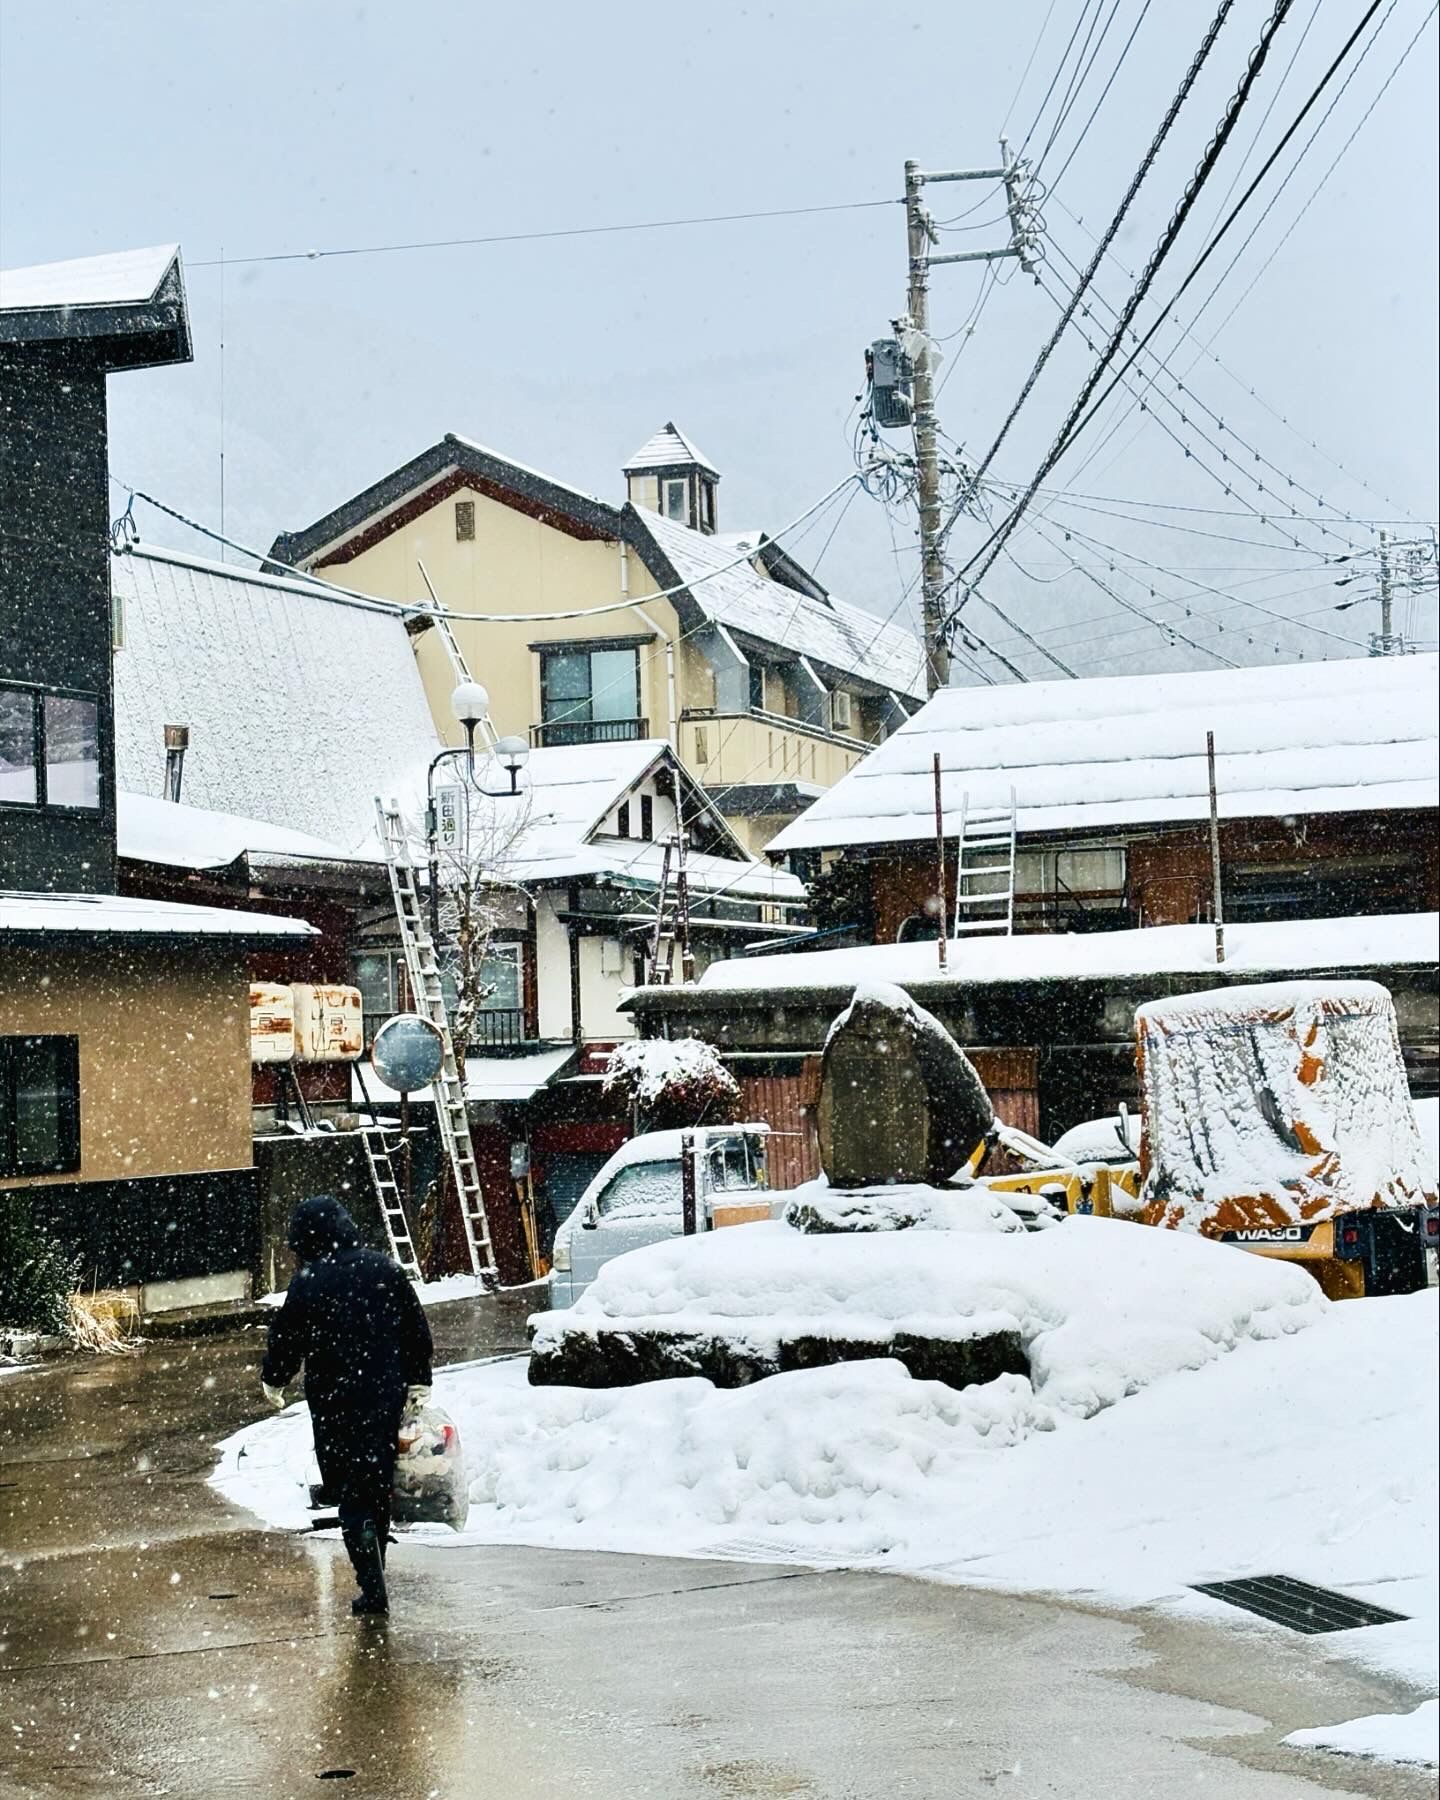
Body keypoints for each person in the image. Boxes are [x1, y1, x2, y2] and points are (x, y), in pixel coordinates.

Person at [261, 1194, 433, 1617]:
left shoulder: (308, 1281)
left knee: (350, 1492)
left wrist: (274, 1378)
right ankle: (377, 1565)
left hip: (335, 1402)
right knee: (375, 1486)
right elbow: (415, 1328)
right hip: (384, 1395)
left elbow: (287, 1339)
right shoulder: (384, 1269)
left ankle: (371, 1586)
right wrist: (419, 1380)